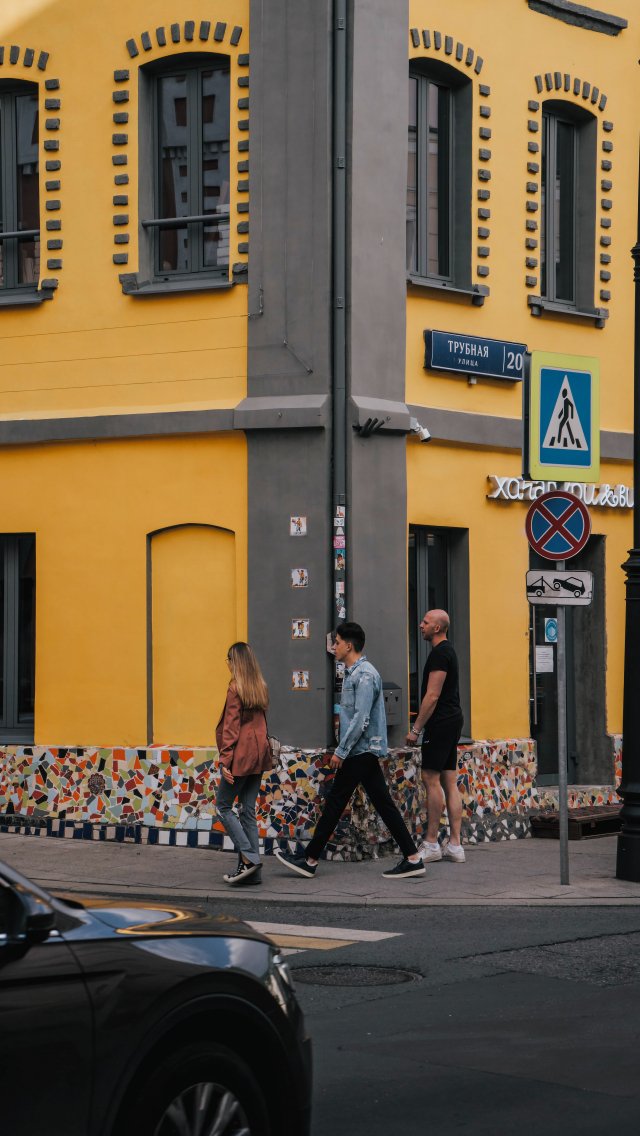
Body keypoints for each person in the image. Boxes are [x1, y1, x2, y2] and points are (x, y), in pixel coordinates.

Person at [276, 621, 425, 880]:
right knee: (381, 803)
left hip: (361, 750)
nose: (333, 647)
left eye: (336, 642)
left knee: (337, 802)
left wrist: (341, 751)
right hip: (362, 750)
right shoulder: (354, 673)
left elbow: (360, 719)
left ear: (348, 645)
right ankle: (412, 857)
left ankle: (310, 860)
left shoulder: (364, 675)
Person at [406, 609, 465, 863]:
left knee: (430, 778)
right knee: (449, 780)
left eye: (426, 622)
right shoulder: (449, 651)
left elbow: (432, 695)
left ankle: (431, 843)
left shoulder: (440, 653)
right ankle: (455, 846)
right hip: (452, 720)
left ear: (437, 628)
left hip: (440, 723)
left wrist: (416, 729)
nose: (421, 625)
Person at [215, 642, 272, 886]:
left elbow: (231, 728)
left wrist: (224, 761)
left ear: (235, 662)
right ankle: (253, 873)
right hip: (259, 755)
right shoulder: (260, 687)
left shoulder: (235, 688)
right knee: (247, 810)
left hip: (240, 756)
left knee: (223, 806)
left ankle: (249, 859)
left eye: (228, 660)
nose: (227, 664)